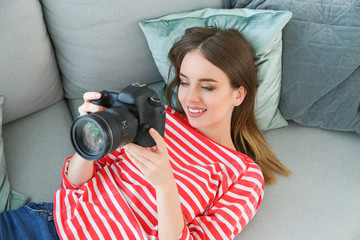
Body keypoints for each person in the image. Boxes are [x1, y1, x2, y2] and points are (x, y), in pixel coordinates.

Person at [0, 27, 290, 240]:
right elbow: (75, 185)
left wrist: (166, 186)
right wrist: (90, 138)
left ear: (239, 94)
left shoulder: (242, 175)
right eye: (185, 82)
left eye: (208, 86)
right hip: (46, 225)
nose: (190, 98)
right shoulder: (157, 116)